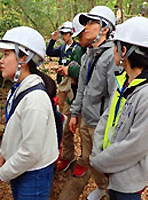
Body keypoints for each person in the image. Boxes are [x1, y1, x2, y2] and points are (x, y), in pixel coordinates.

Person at [90, 16, 148, 200]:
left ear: (124, 50)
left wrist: (101, 162)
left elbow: (136, 144)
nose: (113, 52)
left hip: (128, 180)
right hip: (111, 170)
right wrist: (98, 153)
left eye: (115, 47)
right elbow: (107, 117)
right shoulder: (125, 81)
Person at [0, 26, 59, 199]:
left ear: (24, 58)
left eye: (6, 54)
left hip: (33, 174)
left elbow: (31, 151)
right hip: (21, 168)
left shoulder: (35, 98)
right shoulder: (18, 89)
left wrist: (4, 172)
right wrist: (2, 158)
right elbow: (13, 131)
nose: (1, 60)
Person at [69, 5, 117, 199]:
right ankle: (102, 187)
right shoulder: (88, 54)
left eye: (91, 23)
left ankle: (111, 189)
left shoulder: (112, 56)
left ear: (105, 28)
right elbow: (81, 87)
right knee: (88, 158)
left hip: (101, 123)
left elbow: (115, 94)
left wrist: (107, 125)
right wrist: (74, 113)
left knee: (102, 160)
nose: (85, 28)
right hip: (86, 119)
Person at [56, 13, 88, 172]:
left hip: (88, 101)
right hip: (72, 96)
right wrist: (67, 70)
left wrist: (71, 70)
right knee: (66, 128)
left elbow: (84, 71)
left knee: (84, 132)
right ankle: (68, 156)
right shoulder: (78, 50)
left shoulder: (95, 52)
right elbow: (73, 67)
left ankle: (84, 161)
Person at [46, 21, 79, 112]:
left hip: (72, 83)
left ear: (71, 34)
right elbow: (49, 52)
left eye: (65, 33)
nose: (63, 36)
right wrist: (53, 40)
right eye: (62, 33)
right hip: (61, 82)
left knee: (70, 107)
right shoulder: (62, 48)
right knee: (61, 106)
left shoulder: (77, 47)